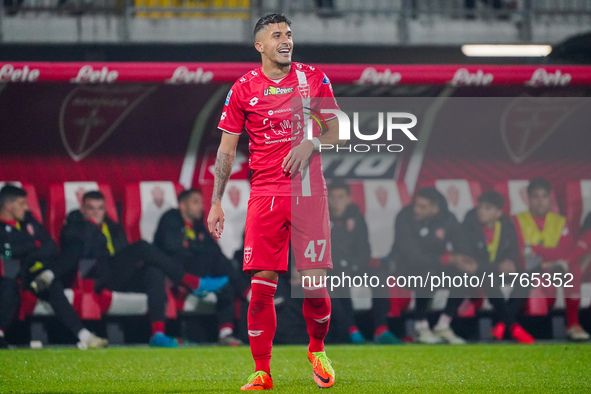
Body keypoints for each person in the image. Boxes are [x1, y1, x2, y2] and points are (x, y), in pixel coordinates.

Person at [207, 13, 343, 390]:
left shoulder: (313, 78)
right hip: (265, 196)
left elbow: (338, 129)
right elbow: (226, 151)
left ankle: (316, 348)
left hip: (308, 194)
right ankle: (262, 371)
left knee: (314, 285)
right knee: (262, 284)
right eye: (276, 35)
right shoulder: (243, 88)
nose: (286, 40)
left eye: (289, 34)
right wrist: (216, 201)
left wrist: (311, 142)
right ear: (260, 46)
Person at [60, 191, 229, 348]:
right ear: (82, 209)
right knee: (142, 246)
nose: (96, 213)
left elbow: (122, 253)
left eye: (100, 208)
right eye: (91, 208)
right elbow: (79, 252)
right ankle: (193, 282)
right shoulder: (75, 227)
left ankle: (157, 333)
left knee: (153, 270)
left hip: (117, 276)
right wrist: (90, 225)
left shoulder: (113, 227)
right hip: (95, 275)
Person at [0, 185, 107, 349]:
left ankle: (84, 336)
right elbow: (6, 255)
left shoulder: (29, 220)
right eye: (22, 203)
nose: (27, 207)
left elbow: (50, 246)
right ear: (8, 206)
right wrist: (32, 245)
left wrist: (22, 249)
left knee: (52, 285)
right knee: (10, 287)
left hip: (37, 272)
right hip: (13, 274)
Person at [153, 188, 250, 346]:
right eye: (195, 202)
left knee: (224, 278)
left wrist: (193, 247)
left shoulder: (198, 227)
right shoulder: (170, 218)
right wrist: (196, 248)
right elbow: (172, 248)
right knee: (214, 257)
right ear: (182, 206)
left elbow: (213, 250)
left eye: (202, 203)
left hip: (198, 271)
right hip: (175, 273)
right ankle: (248, 292)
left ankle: (226, 334)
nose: (201, 207)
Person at [389, 187, 474, 345]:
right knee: (428, 273)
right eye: (416, 205)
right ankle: (420, 326)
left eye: (422, 206)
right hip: (406, 269)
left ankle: (443, 325)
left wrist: (464, 259)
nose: (416, 209)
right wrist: (445, 259)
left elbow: (463, 245)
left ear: (435, 209)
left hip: (436, 267)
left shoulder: (447, 219)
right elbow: (411, 256)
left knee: (465, 275)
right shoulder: (404, 217)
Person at [513, 178, 589, 341]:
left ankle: (573, 324)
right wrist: (550, 253)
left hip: (555, 267)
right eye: (535, 197)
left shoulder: (559, 221)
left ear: (550, 199)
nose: (540, 201)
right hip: (529, 268)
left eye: (544, 196)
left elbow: (566, 250)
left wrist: (536, 249)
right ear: (528, 199)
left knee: (574, 267)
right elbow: (521, 252)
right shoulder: (517, 220)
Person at [327, 179, 400, 345]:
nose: (337, 202)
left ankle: (381, 329)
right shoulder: (321, 218)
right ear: (327, 199)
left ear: (349, 199)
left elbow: (364, 249)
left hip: (355, 267)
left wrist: (354, 265)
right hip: (334, 269)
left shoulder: (357, 218)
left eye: (341, 197)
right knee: (337, 279)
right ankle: (351, 330)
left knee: (378, 275)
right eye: (333, 197)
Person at [462, 191, 534, 343]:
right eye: (480, 207)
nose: (481, 211)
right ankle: (514, 327)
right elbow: (469, 262)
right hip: (477, 273)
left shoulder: (507, 226)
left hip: (499, 271)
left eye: (488, 208)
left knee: (525, 278)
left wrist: (509, 262)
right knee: (489, 278)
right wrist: (496, 267)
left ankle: (501, 325)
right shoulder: (468, 226)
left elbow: (514, 251)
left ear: (498, 213)